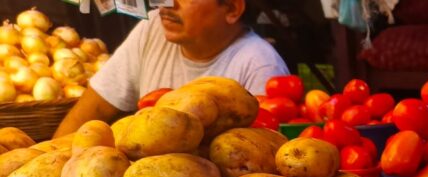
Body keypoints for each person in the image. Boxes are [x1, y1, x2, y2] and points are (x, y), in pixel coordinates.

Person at [55, 0, 288, 136]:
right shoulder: (152, 28)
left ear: (232, 10)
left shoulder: (260, 65)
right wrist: (52, 155)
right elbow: (93, 108)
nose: (167, 4)